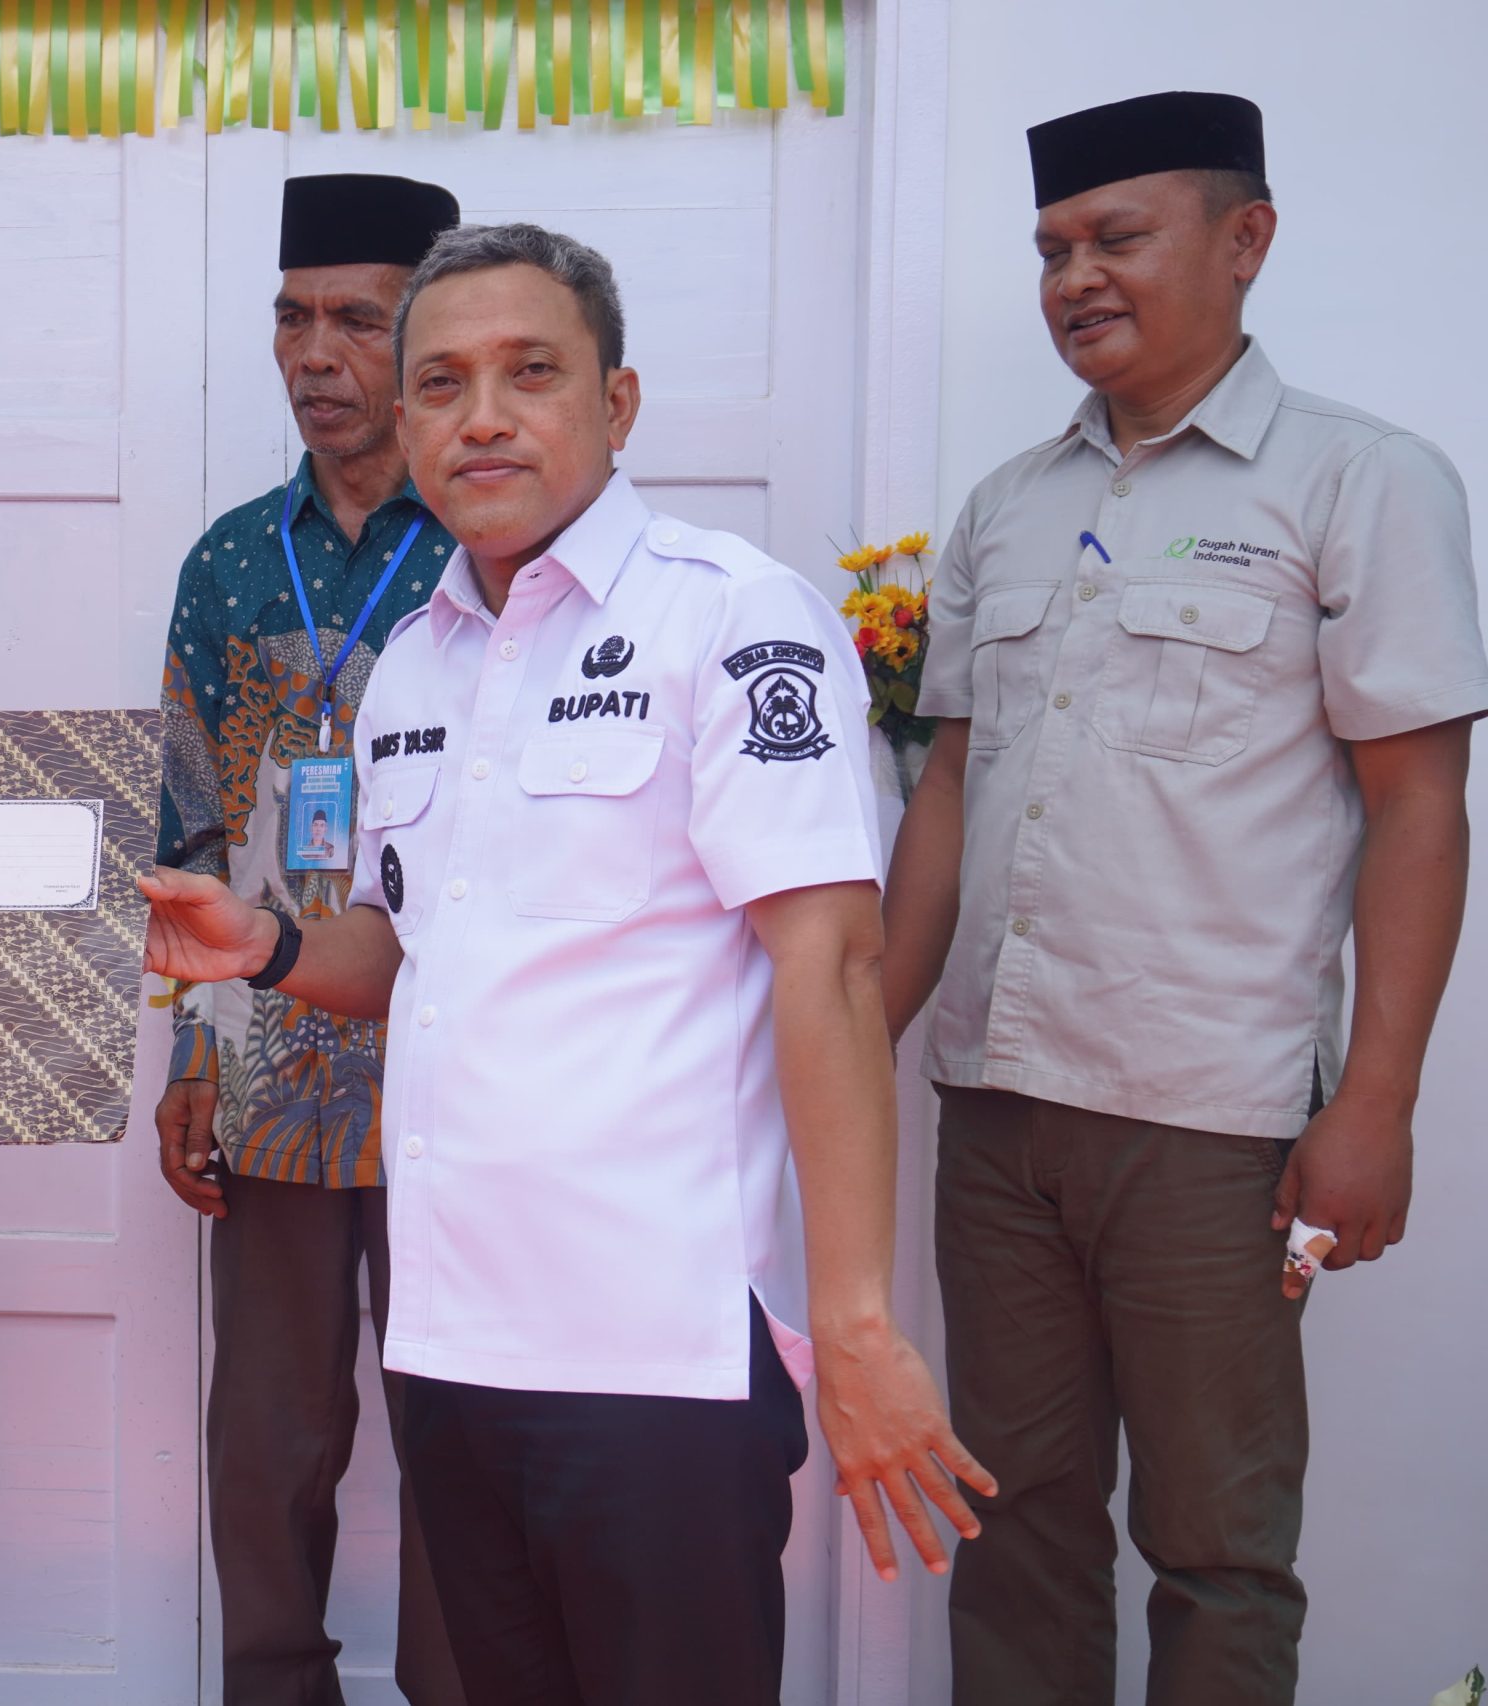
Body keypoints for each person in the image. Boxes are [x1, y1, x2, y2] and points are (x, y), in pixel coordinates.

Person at [143, 221, 990, 1706]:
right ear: (408, 420)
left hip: (656, 1357)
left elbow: (836, 970)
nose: (482, 417)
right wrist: (265, 947)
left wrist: (856, 1323)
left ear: (618, 402)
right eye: (443, 383)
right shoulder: (418, 662)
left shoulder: (728, 614)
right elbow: (407, 945)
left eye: (530, 373)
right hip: (455, 1345)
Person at [880, 91, 1485, 1706]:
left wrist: (1375, 1105)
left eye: (1117, 238)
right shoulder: (1007, 506)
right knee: (1011, 1522)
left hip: (1212, 1125)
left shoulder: (1362, 482)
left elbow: (1419, 807)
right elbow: (951, 787)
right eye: (1052, 249)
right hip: (997, 1110)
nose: (1076, 276)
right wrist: (853, 1034)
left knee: (1219, 1550)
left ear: (1246, 239)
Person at [155, 172, 466, 1706]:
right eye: (293, 317)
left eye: (357, 317)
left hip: (459, 1057)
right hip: (272, 1054)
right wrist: (192, 1054)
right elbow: (188, 824)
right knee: (269, 1435)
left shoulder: (490, 539)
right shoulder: (227, 559)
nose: (317, 353)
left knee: (463, 1429)